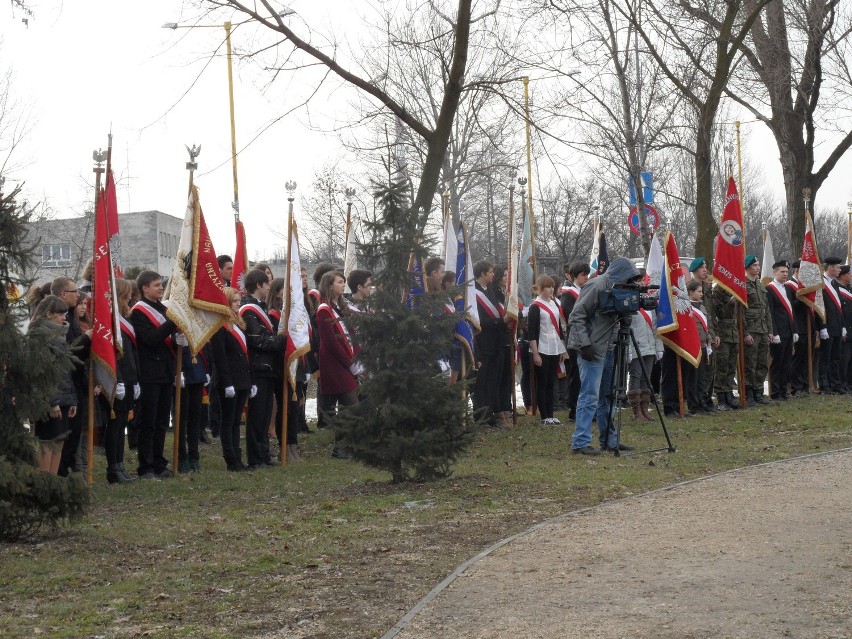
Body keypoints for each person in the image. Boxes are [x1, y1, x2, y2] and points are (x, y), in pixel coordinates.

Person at [567, 257, 639, 455]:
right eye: (629, 278)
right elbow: (576, 316)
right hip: (592, 349)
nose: (630, 283)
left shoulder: (618, 287)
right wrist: (585, 344)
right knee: (589, 396)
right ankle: (581, 442)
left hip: (610, 347)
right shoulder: (596, 285)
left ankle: (609, 440)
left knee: (608, 396)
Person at [130, 270, 179, 480]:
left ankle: (159, 463)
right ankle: (146, 466)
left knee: (161, 422)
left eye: (161, 284)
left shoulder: (162, 309)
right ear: (145, 288)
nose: (161, 287)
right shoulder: (139, 312)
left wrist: (179, 340)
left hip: (166, 371)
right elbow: (150, 339)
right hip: (149, 373)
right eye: (156, 285)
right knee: (148, 422)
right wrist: (172, 323)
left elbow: (168, 339)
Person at [28, 296, 78, 474]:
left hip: (63, 397)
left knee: (59, 440)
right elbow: (41, 373)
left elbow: (65, 370)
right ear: (48, 314)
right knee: (48, 441)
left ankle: (54, 483)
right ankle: (45, 482)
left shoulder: (60, 336)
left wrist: (72, 400)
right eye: (61, 314)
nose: (65, 318)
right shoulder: (39, 337)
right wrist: (53, 402)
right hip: (50, 400)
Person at [316, 270, 360, 458]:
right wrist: (349, 363)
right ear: (330, 285)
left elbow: (350, 334)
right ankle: (341, 448)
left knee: (349, 406)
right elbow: (332, 342)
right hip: (335, 363)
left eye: (343, 282)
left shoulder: (339, 307)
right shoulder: (324, 310)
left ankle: (345, 447)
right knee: (350, 405)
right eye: (340, 282)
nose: (343, 285)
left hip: (345, 361)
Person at [239, 269, 280, 469]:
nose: (268, 288)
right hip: (257, 366)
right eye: (266, 285)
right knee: (256, 415)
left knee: (264, 414)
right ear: (258, 285)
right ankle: (255, 457)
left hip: (267, 367)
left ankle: (264, 454)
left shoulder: (260, 307)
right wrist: (281, 341)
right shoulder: (248, 309)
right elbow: (258, 341)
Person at [211, 287, 252, 471]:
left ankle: (238, 457)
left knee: (237, 421)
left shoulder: (238, 324)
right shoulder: (220, 326)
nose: (238, 303)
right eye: (235, 301)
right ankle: (231, 459)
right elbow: (220, 357)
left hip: (242, 379)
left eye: (239, 300)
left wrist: (250, 381)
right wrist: (227, 383)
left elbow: (243, 354)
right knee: (228, 421)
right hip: (229, 381)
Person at [105, 279, 140, 484]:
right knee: (115, 424)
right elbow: (112, 353)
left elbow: (131, 352)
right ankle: (113, 467)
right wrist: (117, 379)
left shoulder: (124, 318)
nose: (129, 297)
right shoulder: (109, 320)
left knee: (122, 424)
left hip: (129, 376)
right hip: (117, 378)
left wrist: (134, 380)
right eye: (126, 294)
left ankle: (120, 464)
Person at [472, 260, 513, 427]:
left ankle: (490, 414)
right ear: (482, 273)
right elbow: (478, 321)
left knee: (493, 381)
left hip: (496, 343)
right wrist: (500, 321)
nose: (493, 274)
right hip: (483, 343)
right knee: (482, 382)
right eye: (490, 272)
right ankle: (480, 416)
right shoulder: (473, 292)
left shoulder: (491, 291)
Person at [528, 275, 567, 425]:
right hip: (542, 348)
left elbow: (559, 328)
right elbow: (532, 332)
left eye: (552, 286)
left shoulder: (554, 304)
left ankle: (551, 414)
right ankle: (544, 416)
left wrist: (563, 349)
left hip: (555, 347)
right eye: (547, 287)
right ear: (540, 289)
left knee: (552, 382)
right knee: (542, 383)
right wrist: (536, 353)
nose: (551, 289)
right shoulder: (535, 307)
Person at [559, 262, 590, 420]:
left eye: (587, 274)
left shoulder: (586, 291)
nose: (586, 277)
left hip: (587, 338)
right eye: (583, 274)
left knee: (585, 376)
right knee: (576, 375)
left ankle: (584, 406)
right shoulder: (568, 294)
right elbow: (570, 315)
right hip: (575, 339)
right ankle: (574, 409)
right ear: (574, 276)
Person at [742, 255, 773, 405]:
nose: (758, 268)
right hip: (752, 330)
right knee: (750, 363)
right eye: (754, 265)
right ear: (747, 268)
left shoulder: (761, 286)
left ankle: (758, 392)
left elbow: (766, 310)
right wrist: (745, 333)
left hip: (763, 329)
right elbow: (741, 312)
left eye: (758, 265)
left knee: (762, 363)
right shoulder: (743, 285)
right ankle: (748, 394)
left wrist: (770, 331)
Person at [627, 290, 662, 421]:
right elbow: (627, 329)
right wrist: (628, 350)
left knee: (646, 378)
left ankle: (645, 409)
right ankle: (636, 411)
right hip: (636, 346)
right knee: (636, 376)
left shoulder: (650, 306)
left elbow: (655, 327)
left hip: (650, 346)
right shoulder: (630, 306)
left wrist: (659, 347)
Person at [689, 257, 719, 411]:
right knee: (699, 372)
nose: (705, 270)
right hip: (696, 338)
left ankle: (706, 399)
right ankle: (698, 400)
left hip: (708, 333)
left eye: (706, 267)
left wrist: (714, 334)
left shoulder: (707, 289)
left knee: (709, 369)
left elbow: (710, 315)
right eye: (702, 267)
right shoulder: (689, 288)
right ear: (694, 270)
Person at [766, 260, 797, 400]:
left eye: (786, 272)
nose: (785, 274)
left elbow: (792, 311)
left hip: (789, 331)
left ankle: (783, 391)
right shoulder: (769, 289)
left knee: (787, 362)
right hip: (779, 331)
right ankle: (775, 392)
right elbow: (770, 312)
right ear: (775, 272)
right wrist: (774, 332)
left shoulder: (788, 289)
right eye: (782, 272)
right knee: (777, 363)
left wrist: (794, 330)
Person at [489, 265, 515, 427]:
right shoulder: (494, 293)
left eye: (508, 275)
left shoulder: (506, 293)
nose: (506, 278)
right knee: (498, 378)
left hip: (508, 338)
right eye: (504, 275)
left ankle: (506, 408)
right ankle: (498, 411)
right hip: (497, 339)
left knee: (507, 376)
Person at [819, 256, 845, 393]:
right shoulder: (820, 283)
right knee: (825, 358)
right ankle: (825, 385)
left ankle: (836, 384)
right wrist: (822, 327)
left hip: (837, 325)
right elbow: (819, 307)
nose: (840, 269)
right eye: (838, 267)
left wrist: (843, 325)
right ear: (830, 268)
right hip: (827, 326)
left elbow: (838, 306)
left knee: (836, 357)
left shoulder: (834, 283)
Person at [686, 280, 712, 413]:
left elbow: (706, 326)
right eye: (699, 292)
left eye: (702, 291)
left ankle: (702, 402)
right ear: (690, 292)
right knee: (693, 377)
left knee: (702, 376)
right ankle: (694, 405)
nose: (701, 294)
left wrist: (709, 340)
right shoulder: (686, 307)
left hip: (703, 345)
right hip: (693, 346)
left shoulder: (702, 307)